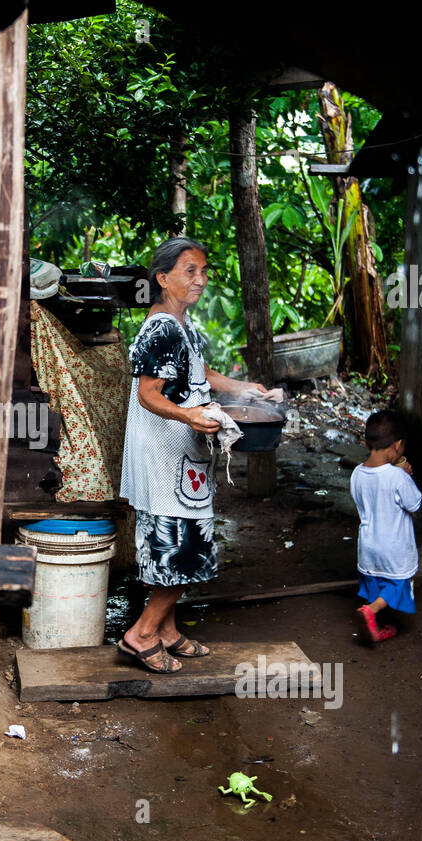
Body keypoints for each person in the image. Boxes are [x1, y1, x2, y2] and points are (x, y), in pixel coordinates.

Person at [117, 237, 270, 673]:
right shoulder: (161, 326)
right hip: (164, 452)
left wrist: (244, 389)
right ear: (163, 278)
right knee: (185, 548)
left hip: (182, 453)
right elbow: (148, 395)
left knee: (186, 540)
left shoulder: (182, 325)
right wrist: (189, 415)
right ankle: (141, 634)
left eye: (203, 270)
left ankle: (166, 630)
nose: (200, 279)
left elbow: (198, 372)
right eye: (190, 271)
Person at [349, 409, 422, 643]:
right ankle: (372, 611)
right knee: (398, 584)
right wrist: (407, 476)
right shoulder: (397, 477)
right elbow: (415, 503)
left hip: (368, 547)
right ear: (397, 445)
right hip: (393, 549)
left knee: (377, 581)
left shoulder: (357, 474)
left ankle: (375, 624)